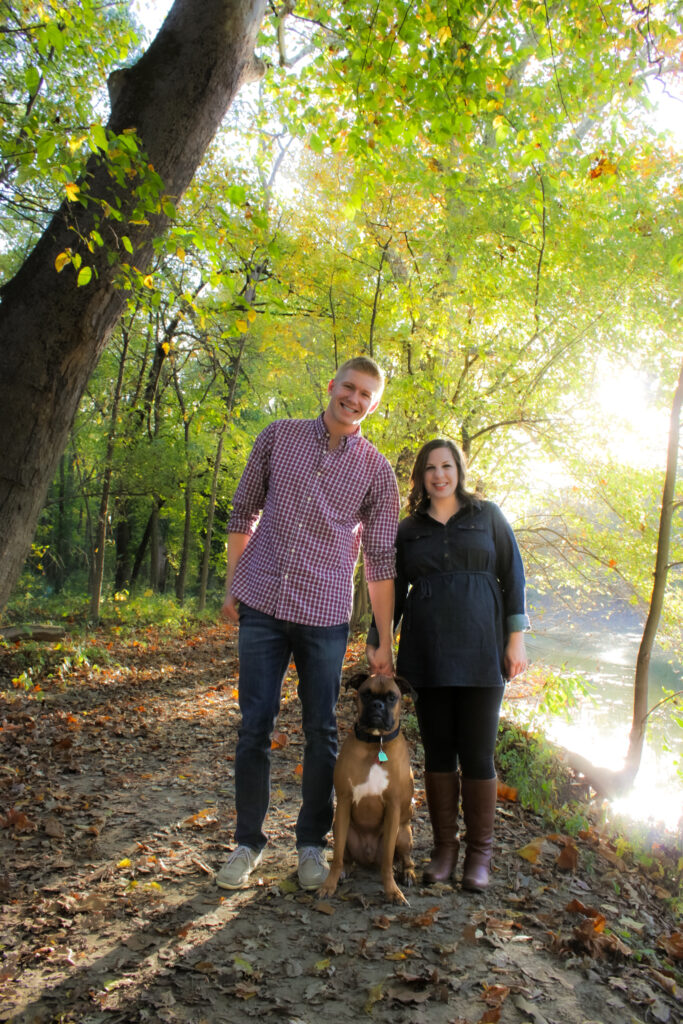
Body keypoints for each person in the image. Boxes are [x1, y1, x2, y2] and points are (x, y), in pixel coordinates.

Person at [217, 356, 400, 891]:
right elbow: (242, 510)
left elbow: (381, 559)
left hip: (324, 615)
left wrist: (384, 639)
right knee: (255, 727)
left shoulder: (377, 471)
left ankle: (311, 845)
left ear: (374, 404)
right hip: (263, 605)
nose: (356, 399)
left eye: (367, 394)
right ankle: (247, 842)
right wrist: (233, 583)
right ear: (332, 386)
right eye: (350, 387)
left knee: (321, 732)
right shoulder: (279, 436)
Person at [367, 438, 528, 891]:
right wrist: (379, 641)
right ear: (420, 476)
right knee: (438, 752)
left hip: (482, 649)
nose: (439, 475)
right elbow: (390, 589)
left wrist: (515, 640)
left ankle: (480, 855)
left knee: (477, 753)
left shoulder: (487, 516)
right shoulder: (408, 529)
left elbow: (514, 577)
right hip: (427, 652)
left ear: (459, 469)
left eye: (447, 465)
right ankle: (444, 850)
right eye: (430, 468)